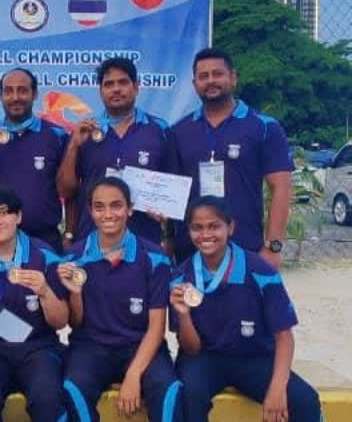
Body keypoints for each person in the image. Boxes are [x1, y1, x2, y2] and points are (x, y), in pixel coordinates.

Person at [170, 196, 321, 422]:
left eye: (214, 226)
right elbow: (191, 349)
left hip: (254, 357)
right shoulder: (181, 278)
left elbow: (284, 336)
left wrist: (277, 389)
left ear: (230, 227)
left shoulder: (260, 270)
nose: (205, 235)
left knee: (304, 400)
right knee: (186, 397)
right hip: (204, 358)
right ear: (189, 231)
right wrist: (183, 315)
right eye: (197, 228)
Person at [59, 177, 181, 422]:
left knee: (169, 391)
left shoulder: (155, 258)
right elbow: (75, 323)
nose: (108, 214)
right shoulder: (74, 257)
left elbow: (157, 326)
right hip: (90, 346)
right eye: (99, 207)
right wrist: (75, 292)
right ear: (91, 211)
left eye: (116, 205)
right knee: (72, 389)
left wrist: (134, 375)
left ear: (130, 209)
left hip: (141, 345)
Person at [169, 47, 293, 267]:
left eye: (218, 74)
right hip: (191, 251)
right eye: (203, 76)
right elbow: (172, 192)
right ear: (194, 84)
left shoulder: (264, 127)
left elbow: (281, 187)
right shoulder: (179, 131)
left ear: (233, 78)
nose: (211, 81)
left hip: (246, 249)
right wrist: (169, 239)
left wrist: (273, 247)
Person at [0, 184, 70, 422]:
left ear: (19, 216)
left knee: (47, 396)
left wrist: (44, 291)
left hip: (38, 347)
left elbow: (61, 321)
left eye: (4, 212)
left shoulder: (45, 256)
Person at [57, 57, 171, 248]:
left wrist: (167, 233)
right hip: (92, 240)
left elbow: (172, 189)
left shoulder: (159, 129)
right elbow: (66, 191)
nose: (116, 89)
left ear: (136, 87)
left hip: (144, 239)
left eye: (123, 82)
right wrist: (74, 146)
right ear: (101, 91)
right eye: (109, 84)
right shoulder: (85, 131)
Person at [0, 68, 69, 250]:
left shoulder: (57, 136)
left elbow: (70, 190)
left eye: (22, 90)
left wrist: (70, 233)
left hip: (45, 241)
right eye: (8, 91)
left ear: (34, 93)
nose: (15, 97)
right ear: (1, 96)